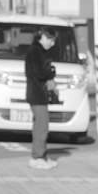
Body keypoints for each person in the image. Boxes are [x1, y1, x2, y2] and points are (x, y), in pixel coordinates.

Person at [25, 27, 58, 170]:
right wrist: (51, 71)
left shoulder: (36, 51)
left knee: (40, 125)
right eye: (51, 40)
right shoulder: (35, 51)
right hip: (37, 94)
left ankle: (41, 156)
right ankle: (37, 157)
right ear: (44, 37)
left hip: (37, 94)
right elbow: (39, 72)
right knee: (42, 126)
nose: (52, 44)